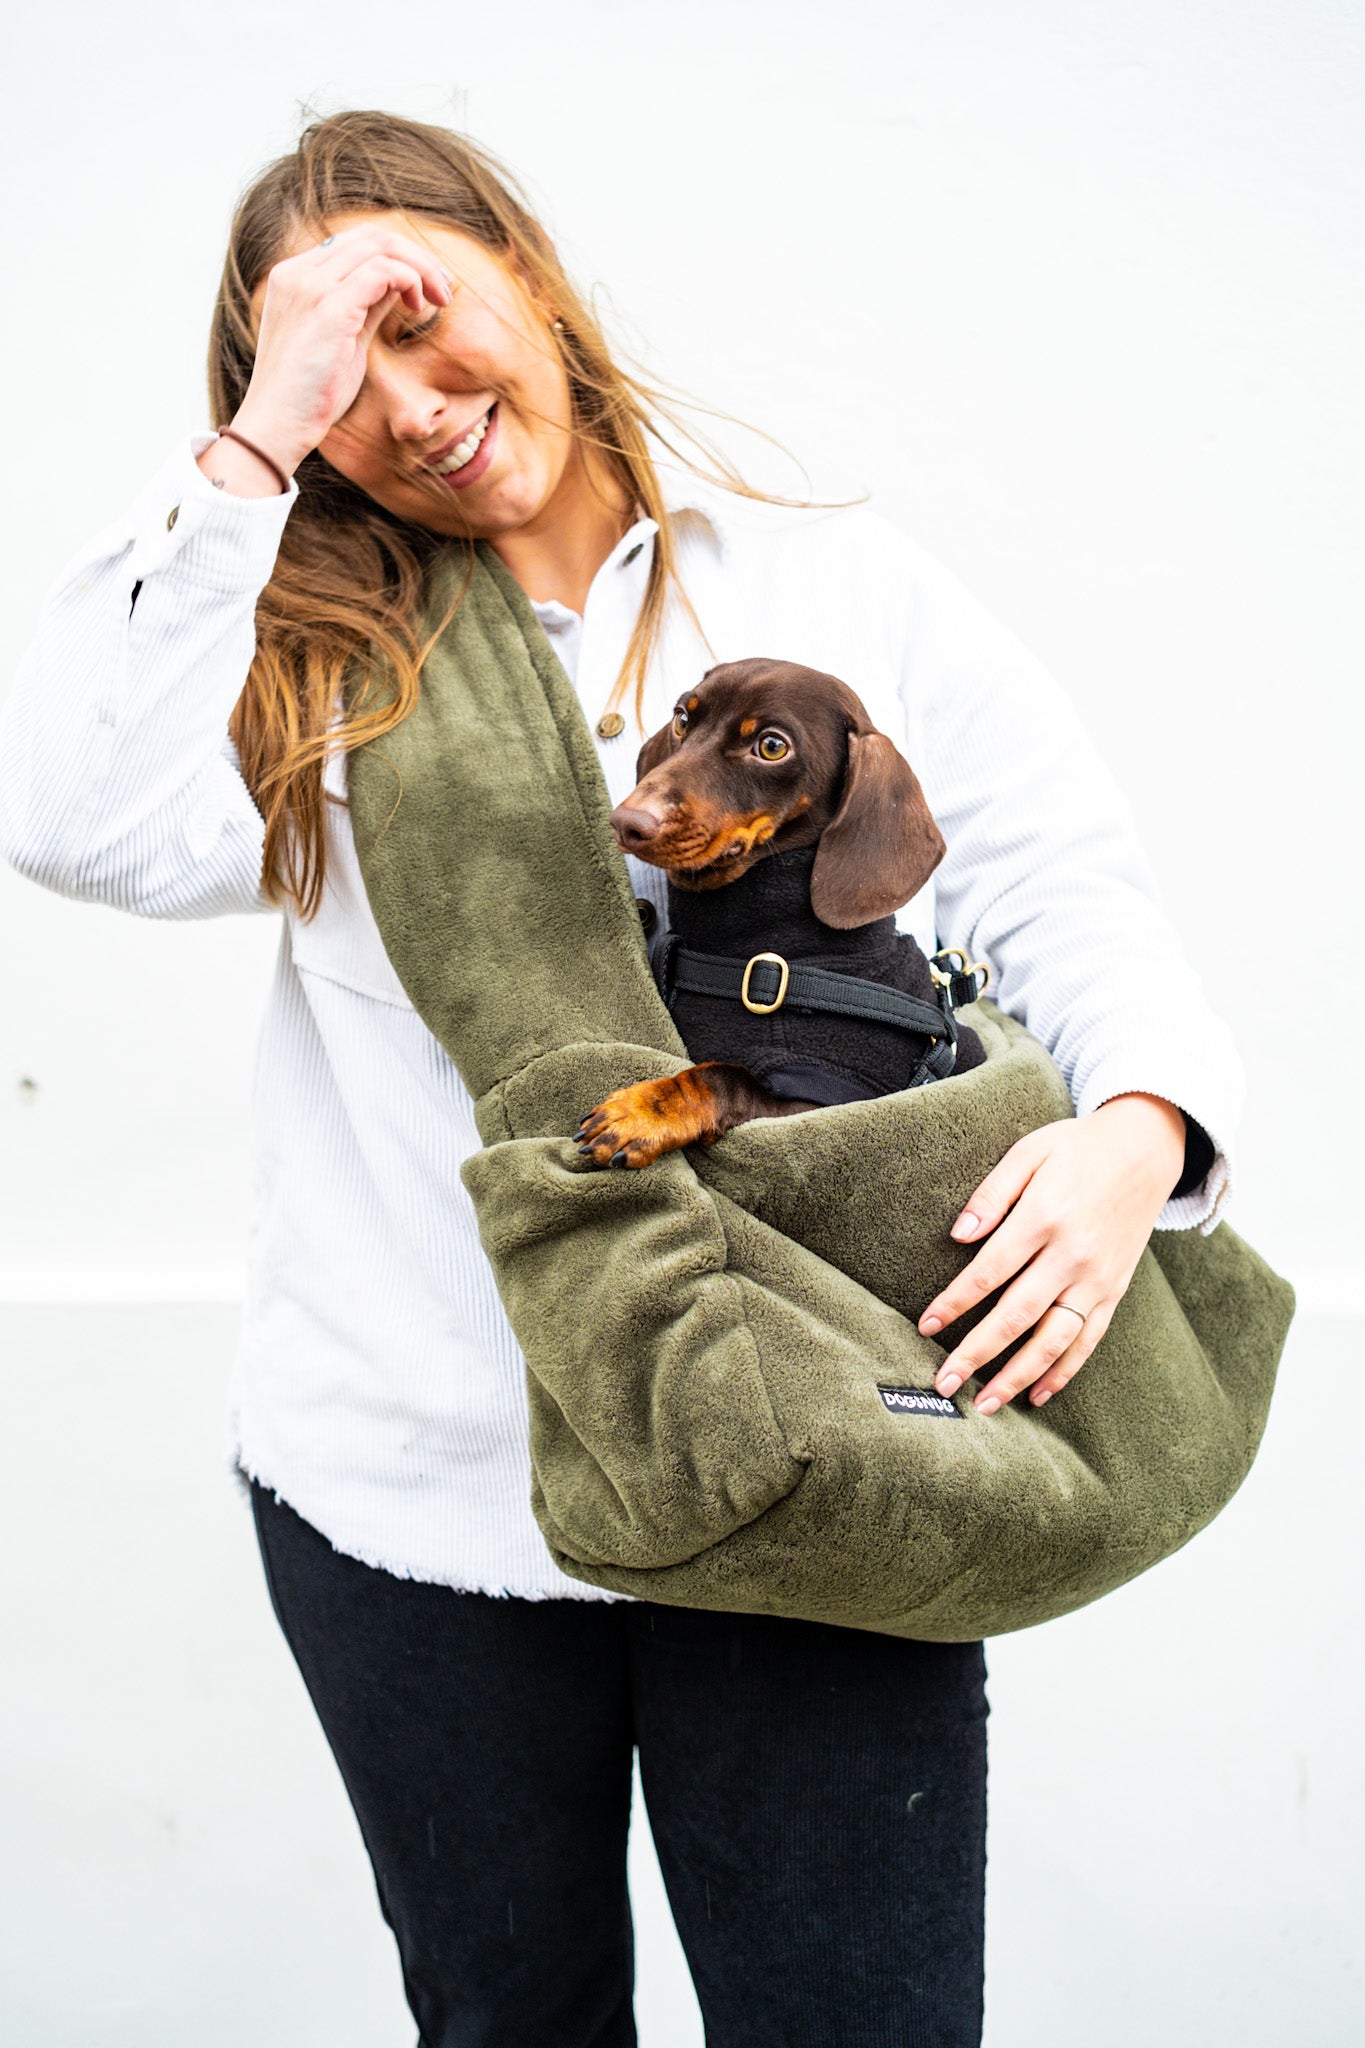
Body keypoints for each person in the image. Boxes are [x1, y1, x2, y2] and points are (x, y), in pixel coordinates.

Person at [0, 110, 1241, 2048]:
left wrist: (1130, 1134)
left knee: (858, 2023)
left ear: (531, 272)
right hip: (422, 1485)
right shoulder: (317, 668)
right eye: (338, 368)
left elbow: (1068, 885)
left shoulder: (834, 582)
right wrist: (252, 444)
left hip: (825, 1448)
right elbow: (74, 822)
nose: (404, 403)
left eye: (420, 314)